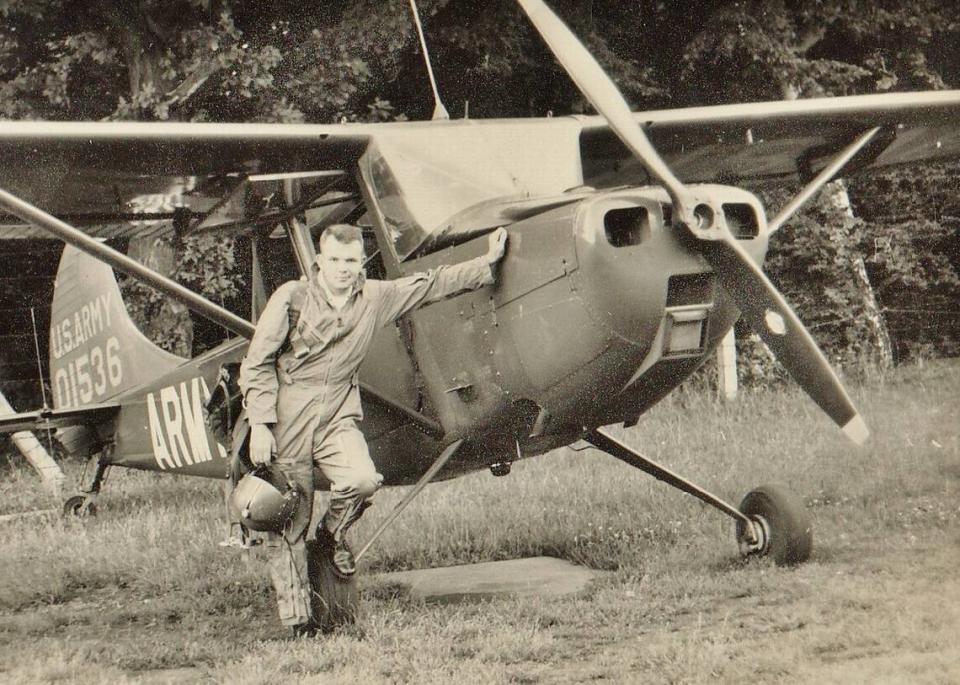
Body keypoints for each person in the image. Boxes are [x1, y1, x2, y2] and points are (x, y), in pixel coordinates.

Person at [238, 223, 508, 632]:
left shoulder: (375, 297)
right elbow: (257, 363)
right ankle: (299, 623)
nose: (344, 269)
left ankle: (331, 536)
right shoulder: (292, 298)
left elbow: (430, 284)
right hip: (288, 414)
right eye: (335, 260)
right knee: (289, 517)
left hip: (337, 414)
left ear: (360, 261)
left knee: (363, 479)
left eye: (351, 260)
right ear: (319, 262)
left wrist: (486, 265)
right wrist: (260, 424)